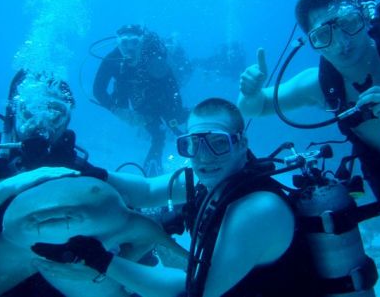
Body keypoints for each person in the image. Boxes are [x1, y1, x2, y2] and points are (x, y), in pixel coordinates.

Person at [31, 98, 321, 297]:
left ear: (242, 143)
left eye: (219, 143)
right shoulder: (212, 178)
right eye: (193, 144)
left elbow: (194, 292)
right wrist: (86, 168)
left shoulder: (259, 209)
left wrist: (98, 259)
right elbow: (145, 191)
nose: (204, 157)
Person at [238, 0, 380, 206]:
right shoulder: (318, 84)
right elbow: (257, 107)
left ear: (366, 16)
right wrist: (249, 92)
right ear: (311, 43)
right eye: (322, 35)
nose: (340, 43)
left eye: (348, 23)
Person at [0, 69, 108, 296]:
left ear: (67, 119)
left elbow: (126, 238)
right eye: (30, 110)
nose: (42, 122)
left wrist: (99, 275)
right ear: (12, 111)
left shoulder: (80, 174)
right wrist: (9, 185)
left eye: (55, 112)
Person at [93, 24, 189, 176]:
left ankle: (199, 118)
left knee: (175, 121)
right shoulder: (112, 59)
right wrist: (120, 112)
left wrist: (175, 110)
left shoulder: (154, 57)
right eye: (124, 42)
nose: (129, 48)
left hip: (161, 94)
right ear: (118, 42)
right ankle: (153, 170)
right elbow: (98, 90)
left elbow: (172, 86)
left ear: (141, 42)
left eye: (134, 42)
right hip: (139, 100)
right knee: (156, 133)